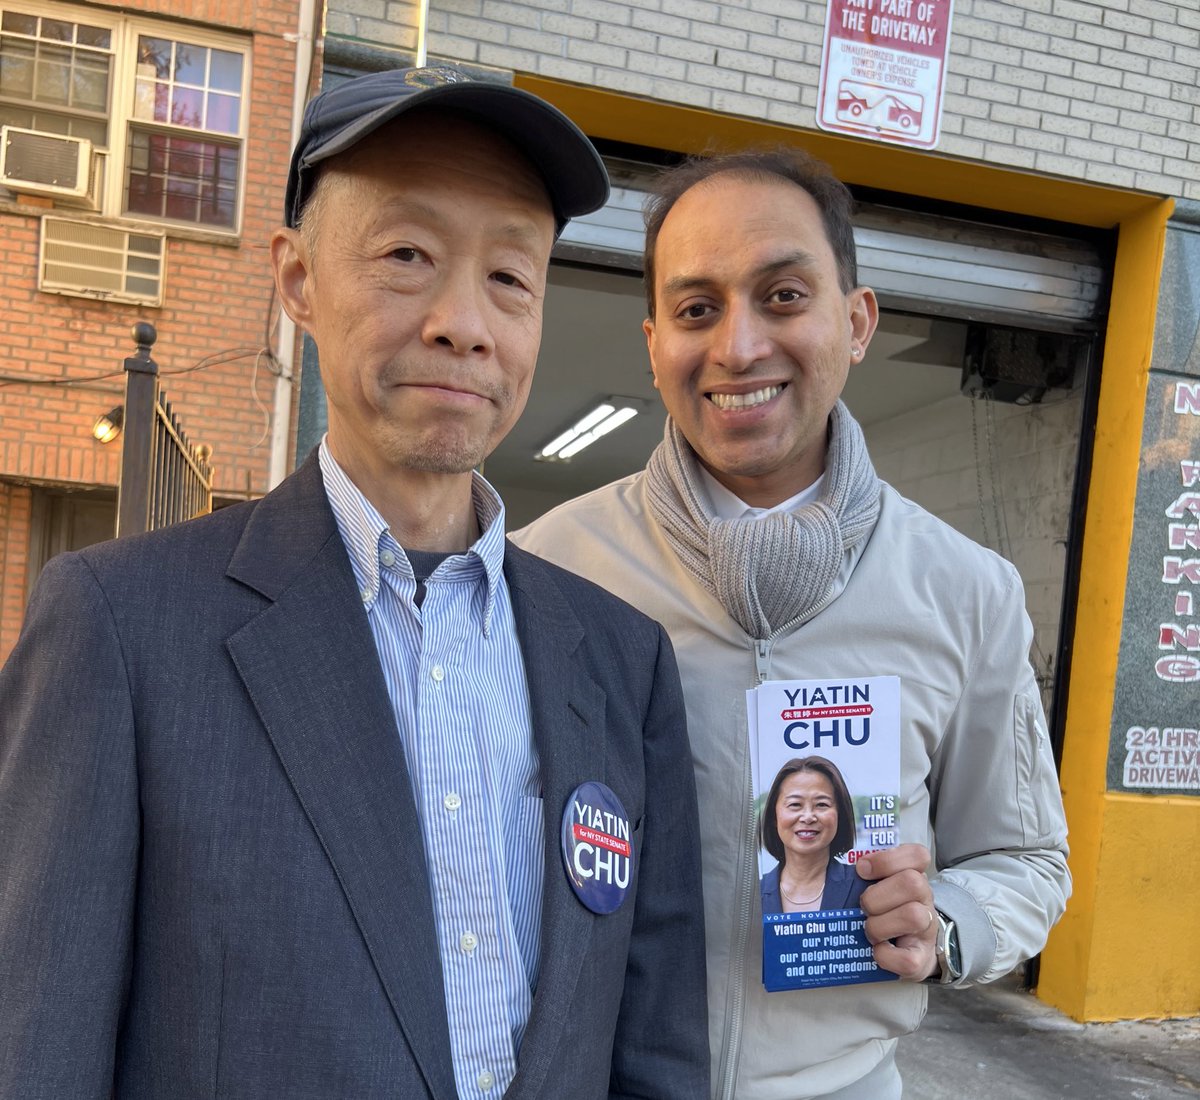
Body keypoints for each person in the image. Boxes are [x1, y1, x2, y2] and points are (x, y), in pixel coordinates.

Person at [0, 67, 709, 1100]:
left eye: (510, 276)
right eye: (407, 255)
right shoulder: (121, 628)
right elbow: (38, 1045)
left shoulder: (620, 659)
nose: (465, 322)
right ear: (297, 278)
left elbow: (653, 1048)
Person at [513, 147, 1071, 1099]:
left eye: (781, 296)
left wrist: (947, 917)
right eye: (697, 310)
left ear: (855, 323)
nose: (737, 347)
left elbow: (1027, 860)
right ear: (654, 345)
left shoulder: (967, 592)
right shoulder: (546, 570)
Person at [759, 756, 865, 915]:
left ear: (840, 815)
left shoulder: (866, 887)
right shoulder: (751, 897)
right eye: (795, 805)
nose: (808, 817)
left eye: (821, 804)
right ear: (774, 816)